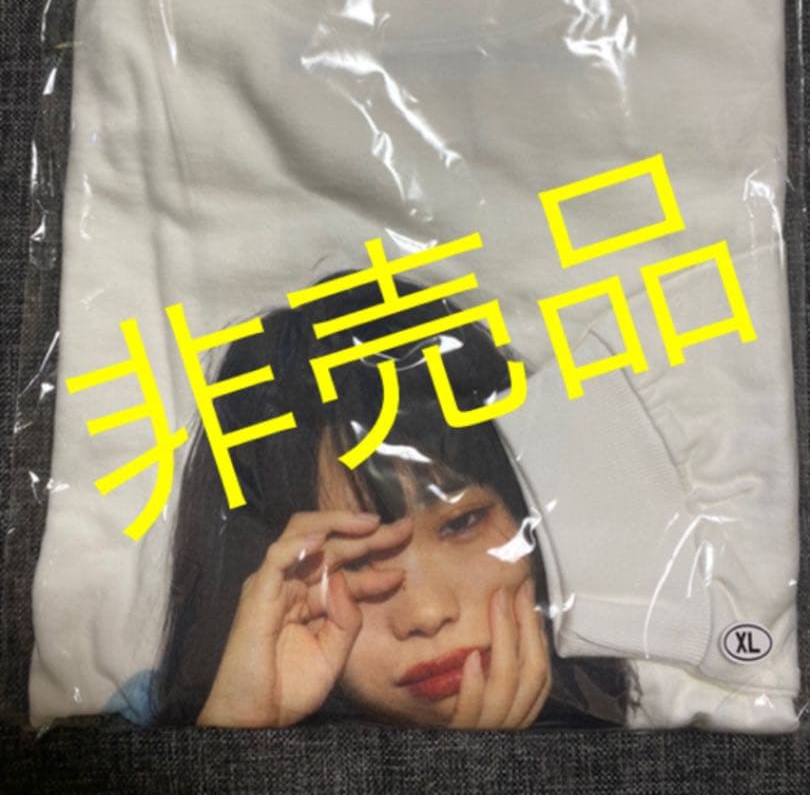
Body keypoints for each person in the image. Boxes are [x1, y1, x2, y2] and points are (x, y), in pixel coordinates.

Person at [151, 272, 636, 728]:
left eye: (461, 522)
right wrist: (235, 735)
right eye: (353, 561)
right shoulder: (138, 741)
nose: (426, 613)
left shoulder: (669, 706)